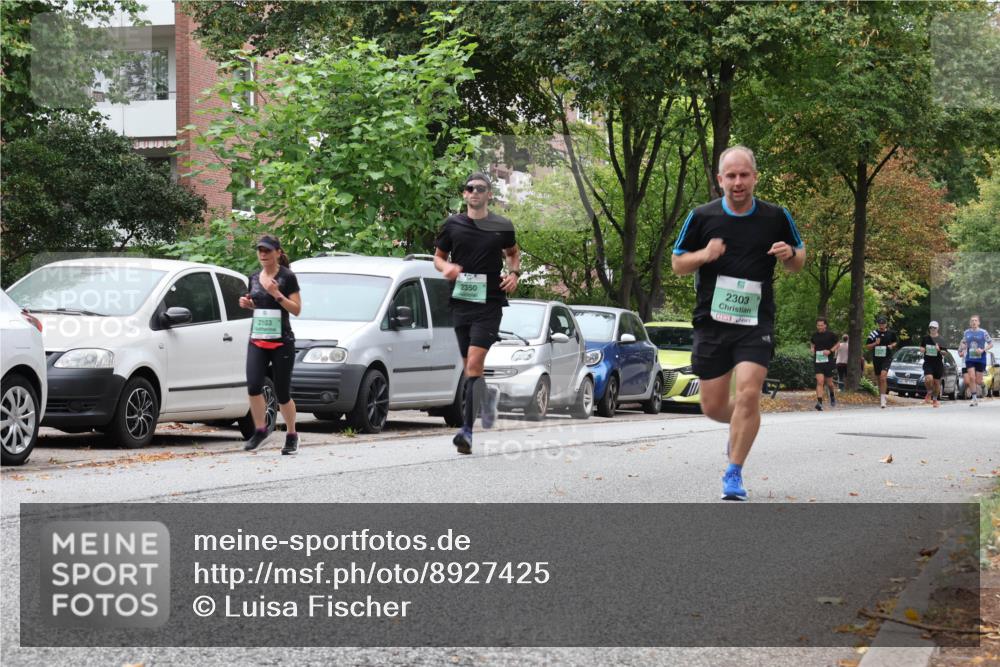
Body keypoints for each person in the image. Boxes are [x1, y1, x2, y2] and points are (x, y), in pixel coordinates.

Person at [671, 146, 805, 501]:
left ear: (755, 177)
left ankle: (734, 472)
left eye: (744, 174)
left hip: (755, 320)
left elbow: (799, 259)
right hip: (712, 321)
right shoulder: (701, 217)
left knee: (748, 392)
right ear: (720, 180)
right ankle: (740, 424)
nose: (738, 182)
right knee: (713, 407)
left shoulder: (776, 216)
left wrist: (789, 255)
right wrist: (705, 254)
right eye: (730, 176)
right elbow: (677, 263)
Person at [434, 173, 521, 455]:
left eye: (480, 189)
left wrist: (514, 273)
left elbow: (513, 252)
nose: (474, 192)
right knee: (471, 369)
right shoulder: (452, 224)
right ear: (464, 194)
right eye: (470, 188)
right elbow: (438, 257)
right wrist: (444, 268)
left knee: (473, 365)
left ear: (488, 195)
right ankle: (484, 399)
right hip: (460, 303)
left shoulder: (501, 225)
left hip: (489, 305)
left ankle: (467, 432)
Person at [239, 234, 302, 454]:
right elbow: (258, 304)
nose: (263, 254)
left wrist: (276, 294)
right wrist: (248, 304)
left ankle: (292, 434)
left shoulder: (287, 277)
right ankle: (261, 430)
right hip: (257, 339)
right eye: (260, 250)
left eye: (267, 250)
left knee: (282, 393)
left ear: (277, 252)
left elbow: (296, 309)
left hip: (281, 342)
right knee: (254, 386)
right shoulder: (254, 277)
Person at [958, 314, 993, 406]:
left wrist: (983, 350)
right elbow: (964, 343)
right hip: (970, 358)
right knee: (971, 378)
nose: (974, 322)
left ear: (979, 322)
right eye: (972, 321)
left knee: (978, 380)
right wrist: (962, 349)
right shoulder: (966, 333)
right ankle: (974, 399)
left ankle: (982, 385)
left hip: (981, 358)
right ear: (970, 323)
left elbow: (991, 344)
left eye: (975, 320)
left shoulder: (983, 332)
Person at [865, 315, 899, 409]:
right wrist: (875, 343)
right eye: (880, 324)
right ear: (878, 324)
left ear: (886, 324)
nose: (881, 325)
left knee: (883, 377)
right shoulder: (873, 334)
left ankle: (883, 400)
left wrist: (892, 346)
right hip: (877, 359)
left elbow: (895, 342)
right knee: (879, 379)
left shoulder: (891, 333)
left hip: (887, 358)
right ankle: (881, 396)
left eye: (883, 324)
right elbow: (867, 346)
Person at [810, 317, 840, 410]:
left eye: (821, 325)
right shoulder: (814, 335)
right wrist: (812, 349)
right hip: (818, 361)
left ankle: (832, 395)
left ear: (825, 325)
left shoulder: (831, 335)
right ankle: (819, 402)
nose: (819, 327)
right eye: (818, 325)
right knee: (820, 381)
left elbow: (838, 344)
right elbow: (812, 343)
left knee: (830, 383)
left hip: (828, 361)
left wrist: (830, 351)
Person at [919, 321, 946, 408]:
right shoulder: (925, 338)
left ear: (937, 329)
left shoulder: (941, 339)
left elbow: (945, 353)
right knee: (928, 379)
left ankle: (934, 400)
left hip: (938, 363)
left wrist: (939, 350)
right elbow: (921, 348)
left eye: (934, 328)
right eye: (931, 328)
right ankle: (929, 392)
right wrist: (922, 350)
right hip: (928, 362)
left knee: (937, 383)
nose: (932, 329)